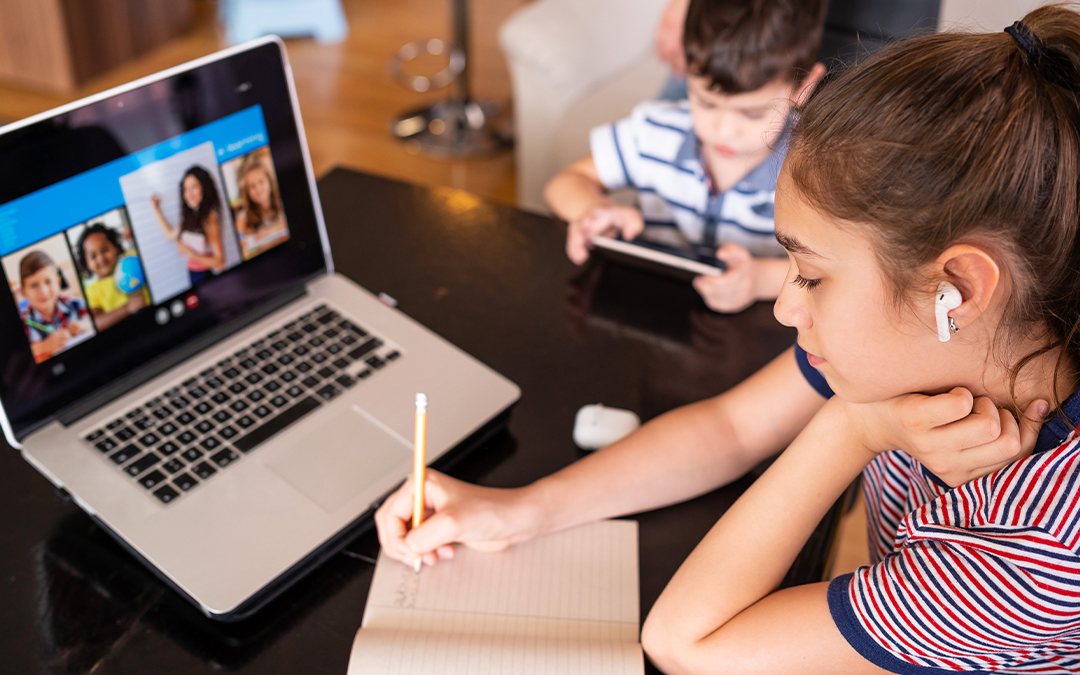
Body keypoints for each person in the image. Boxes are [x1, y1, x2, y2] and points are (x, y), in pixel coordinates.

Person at [378, 5, 1080, 670]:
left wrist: (852, 429)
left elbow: (688, 642)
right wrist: (518, 510)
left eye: (809, 273)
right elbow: (732, 427)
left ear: (956, 285)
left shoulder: (1037, 548)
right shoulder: (937, 346)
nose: (784, 307)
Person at [544, 0, 828, 313]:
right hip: (651, 309)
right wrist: (593, 210)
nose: (723, 129)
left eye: (752, 114)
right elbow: (566, 183)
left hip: (758, 327)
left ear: (803, 87)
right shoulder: (657, 131)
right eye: (706, 103)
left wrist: (759, 280)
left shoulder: (815, 166)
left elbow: (831, 267)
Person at [151, 165, 226, 285]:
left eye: (194, 187)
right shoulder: (189, 217)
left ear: (204, 188)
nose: (189, 194)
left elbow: (220, 262)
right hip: (193, 273)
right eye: (185, 189)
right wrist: (156, 209)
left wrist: (190, 253)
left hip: (204, 275)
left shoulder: (209, 220)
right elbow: (170, 235)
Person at [17, 250, 90, 361]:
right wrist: (44, 346)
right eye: (34, 285)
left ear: (58, 282)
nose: (43, 291)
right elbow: (19, 356)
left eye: (48, 281)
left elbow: (96, 318)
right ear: (23, 292)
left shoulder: (75, 303)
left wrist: (84, 324)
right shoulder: (24, 321)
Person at [75, 223, 149, 330]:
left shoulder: (131, 257)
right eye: (93, 256)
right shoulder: (92, 290)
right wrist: (127, 308)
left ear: (116, 247)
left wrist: (138, 232)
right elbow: (95, 323)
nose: (101, 258)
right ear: (87, 264)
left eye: (105, 250)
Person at [233, 156, 288, 259]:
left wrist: (269, 231)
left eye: (261, 182)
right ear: (247, 191)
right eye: (252, 186)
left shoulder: (282, 200)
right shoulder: (244, 216)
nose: (258, 189)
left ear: (269, 181)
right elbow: (239, 236)